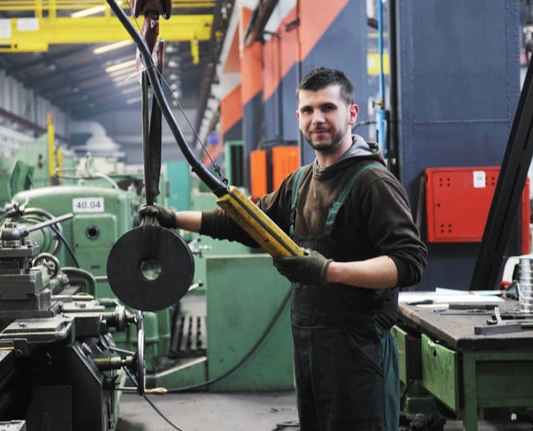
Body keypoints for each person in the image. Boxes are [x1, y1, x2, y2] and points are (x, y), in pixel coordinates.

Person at [141, 67, 427, 430]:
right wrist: (173, 217)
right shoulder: (299, 181)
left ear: (352, 114)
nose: (317, 119)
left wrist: (328, 270)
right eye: (308, 110)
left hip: (358, 354)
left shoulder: (373, 182)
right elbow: (245, 223)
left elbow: (410, 262)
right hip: (309, 349)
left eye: (327, 108)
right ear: (298, 117)